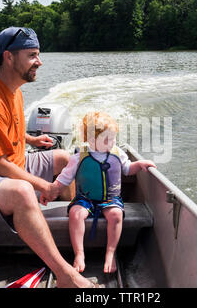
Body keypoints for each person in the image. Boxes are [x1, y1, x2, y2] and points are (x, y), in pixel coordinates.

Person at [0, 27, 93, 288]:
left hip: (6, 167)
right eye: (32, 55)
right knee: (24, 191)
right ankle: (65, 276)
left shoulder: (14, 91)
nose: (39, 61)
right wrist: (44, 186)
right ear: (9, 57)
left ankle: (66, 226)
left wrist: (31, 140)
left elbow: (7, 129)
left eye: (39, 54)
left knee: (65, 159)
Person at [48, 111, 156, 273]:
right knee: (76, 214)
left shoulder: (117, 153)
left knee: (116, 215)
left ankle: (111, 253)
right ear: (91, 140)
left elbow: (127, 169)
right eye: (107, 139)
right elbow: (64, 178)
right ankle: (79, 253)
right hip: (85, 198)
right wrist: (52, 191)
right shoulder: (78, 157)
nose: (111, 142)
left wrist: (139, 164)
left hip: (110, 198)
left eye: (113, 138)